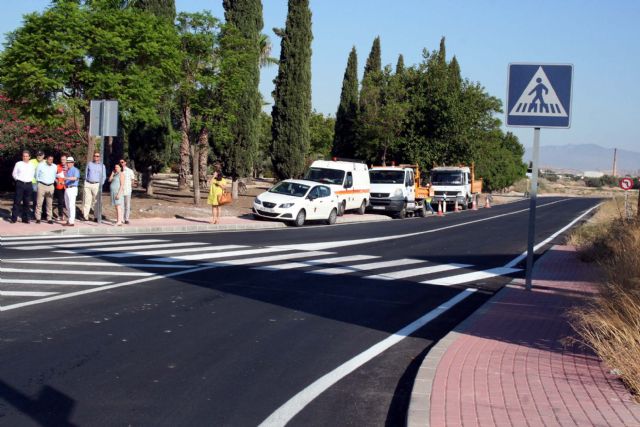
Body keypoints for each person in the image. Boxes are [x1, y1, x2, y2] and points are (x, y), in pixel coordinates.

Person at [10, 150, 36, 224]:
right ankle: (14, 219)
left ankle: (25, 219)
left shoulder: (32, 165)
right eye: (24, 156)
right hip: (20, 184)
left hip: (28, 185)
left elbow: (33, 174)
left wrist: (29, 180)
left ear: (29, 157)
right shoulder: (18, 164)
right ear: (22, 157)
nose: (25, 157)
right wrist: (18, 180)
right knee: (17, 202)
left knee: (27, 203)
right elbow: (14, 174)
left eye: (27, 156)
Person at [82, 151, 106, 221]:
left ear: (100, 157)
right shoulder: (89, 164)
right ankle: (85, 216)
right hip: (88, 184)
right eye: (95, 156)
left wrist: (101, 184)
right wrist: (86, 181)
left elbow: (104, 176)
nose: (96, 157)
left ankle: (96, 217)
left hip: (97, 185)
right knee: (87, 201)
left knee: (96, 202)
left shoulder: (102, 166)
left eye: (97, 156)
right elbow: (86, 173)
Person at [34, 154, 57, 224]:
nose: (51, 161)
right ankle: (38, 218)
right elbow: (36, 175)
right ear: (46, 159)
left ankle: (49, 218)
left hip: (51, 186)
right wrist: (39, 182)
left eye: (52, 160)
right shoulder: (41, 165)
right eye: (49, 159)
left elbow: (54, 175)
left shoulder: (54, 166)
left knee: (49, 203)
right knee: (39, 203)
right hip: (42, 185)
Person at [63, 157, 80, 226]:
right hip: (67, 188)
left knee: (71, 205)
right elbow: (67, 180)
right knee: (67, 205)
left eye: (69, 162)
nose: (68, 164)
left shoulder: (75, 170)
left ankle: (71, 221)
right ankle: (69, 220)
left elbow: (75, 178)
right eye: (67, 162)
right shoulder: (68, 170)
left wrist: (66, 178)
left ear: (72, 163)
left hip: (72, 188)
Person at [119, 158, 136, 224]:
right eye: (120, 162)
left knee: (127, 205)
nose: (121, 163)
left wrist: (130, 186)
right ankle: (121, 219)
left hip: (127, 190)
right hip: (120, 190)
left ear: (125, 163)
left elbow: (132, 180)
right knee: (121, 205)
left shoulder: (130, 171)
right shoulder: (119, 171)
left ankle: (126, 218)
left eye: (122, 162)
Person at [29, 150, 45, 219]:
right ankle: (35, 214)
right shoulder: (32, 161)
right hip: (34, 182)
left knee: (43, 199)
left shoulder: (46, 162)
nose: (39, 156)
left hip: (43, 182)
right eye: (38, 155)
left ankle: (43, 214)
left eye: (40, 155)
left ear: (43, 156)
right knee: (35, 199)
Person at [54, 154, 67, 221]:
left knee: (67, 202)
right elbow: (53, 176)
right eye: (62, 159)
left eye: (64, 159)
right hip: (59, 186)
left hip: (67, 186)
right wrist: (56, 181)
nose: (63, 161)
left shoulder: (69, 167)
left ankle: (69, 216)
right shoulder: (57, 166)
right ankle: (60, 215)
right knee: (60, 201)